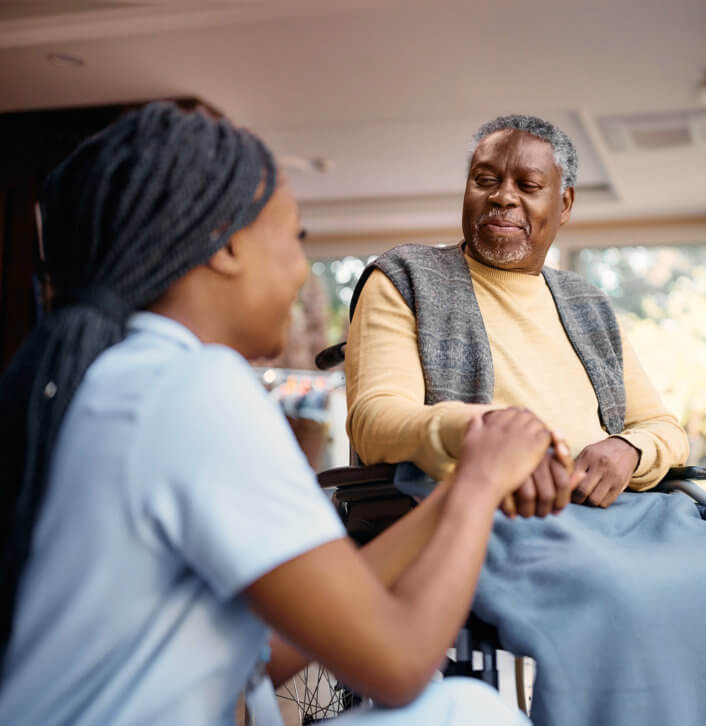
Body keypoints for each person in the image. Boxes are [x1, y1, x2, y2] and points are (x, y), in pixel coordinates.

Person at [0, 102, 568, 725]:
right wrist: (482, 482)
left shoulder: (123, 378)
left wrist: (459, 487)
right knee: (468, 712)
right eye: (296, 238)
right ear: (227, 245)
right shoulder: (194, 389)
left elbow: (265, 650)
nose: (302, 271)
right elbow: (400, 665)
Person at [345, 114, 689, 517]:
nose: (502, 197)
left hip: (617, 513)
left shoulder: (589, 305)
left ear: (564, 204)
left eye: (527, 186)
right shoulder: (407, 277)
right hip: (487, 513)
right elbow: (375, 421)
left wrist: (632, 449)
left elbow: (664, 429)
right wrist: (489, 433)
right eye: (485, 180)